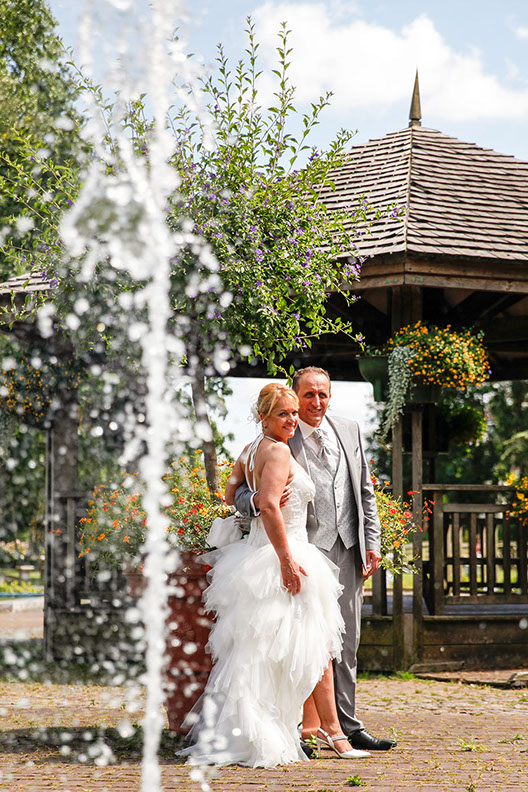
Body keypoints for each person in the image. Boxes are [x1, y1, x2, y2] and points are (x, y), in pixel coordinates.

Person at [180, 383, 370, 768]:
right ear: (263, 417)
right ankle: (331, 733)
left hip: (255, 556)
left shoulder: (249, 450)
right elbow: (268, 506)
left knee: (262, 653)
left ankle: (283, 730)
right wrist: (286, 560)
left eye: (293, 413)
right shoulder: (280, 451)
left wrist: (251, 498)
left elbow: (231, 493)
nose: (292, 420)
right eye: (283, 414)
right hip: (283, 556)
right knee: (313, 648)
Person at [236, 367, 396, 752]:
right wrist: (256, 500)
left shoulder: (349, 429)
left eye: (323, 394)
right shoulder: (280, 434)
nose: (316, 402)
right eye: (308, 394)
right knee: (301, 643)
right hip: (304, 549)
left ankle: (347, 725)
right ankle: (301, 728)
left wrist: (371, 541)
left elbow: (365, 491)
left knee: (346, 640)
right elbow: (240, 488)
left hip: (348, 547)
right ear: (295, 396)